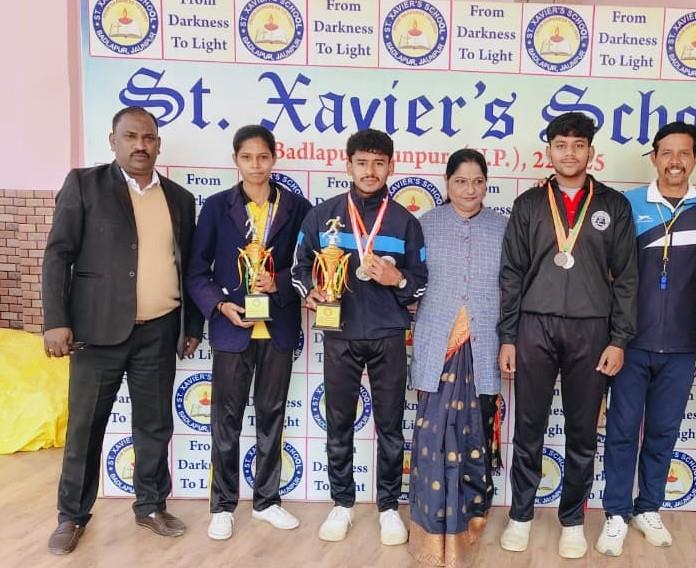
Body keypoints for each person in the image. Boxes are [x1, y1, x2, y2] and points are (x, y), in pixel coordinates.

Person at [42, 106, 203, 555]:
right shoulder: (84, 185)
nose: (140, 145)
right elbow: (57, 255)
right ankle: (72, 516)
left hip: (159, 330)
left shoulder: (179, 198)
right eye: (130, 136)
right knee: (85, 427)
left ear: (158, 145)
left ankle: (151, 506)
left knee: (154, 425)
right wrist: (55, 320)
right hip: (96, 333)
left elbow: (188, 267)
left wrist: (191, 324)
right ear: (113, 142)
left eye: (148, 138)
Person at [498, 112, 638, 559]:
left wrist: (618, 339)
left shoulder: (613, 206)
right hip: (534, 326)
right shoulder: (528, 204)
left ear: (591, 152)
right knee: (528, 427)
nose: (570, 153)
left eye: (579, 145)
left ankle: (573, 519)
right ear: (549, 151)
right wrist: (508, 335)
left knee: (582, 431)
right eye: (561, 145)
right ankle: (521, 514)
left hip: (591, 329)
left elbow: (627, 278)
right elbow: (511, 274)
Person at [291, 129, 428, 546]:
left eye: (378, 163)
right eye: (362, 162)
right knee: (339, 422)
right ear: (348, 164)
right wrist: (311, 290)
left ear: (391, 166)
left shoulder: (405, 221)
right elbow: (299, 267)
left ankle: (388, 507)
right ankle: (342, 503)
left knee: (390, 426)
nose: (370, 171)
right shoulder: (323, 215)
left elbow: (420, 282)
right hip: (341, 332)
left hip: (388, 334)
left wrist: (397, 279)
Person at [595, 122, 696, 556]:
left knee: (664, 432)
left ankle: (648, 507)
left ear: (695, 158)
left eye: (684, 153)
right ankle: (616, 512)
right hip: (631, 343)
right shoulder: (627, 205)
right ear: (654, 158)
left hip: (682, 346)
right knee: (622, 431)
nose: (675, 161)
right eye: (666, 153)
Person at [187, 125, 312, 540]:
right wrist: (220, 306)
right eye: (247, 157)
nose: (255, 165)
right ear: (235, 160)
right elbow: (197, 271)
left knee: (272, 417)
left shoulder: (297, 207)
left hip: (277, 327)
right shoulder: (216, 207)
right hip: (232, 329)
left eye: (263, 157)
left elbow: (308, 268)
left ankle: (267, 501)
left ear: (274, 158)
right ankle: (223, 505)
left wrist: (280, 284)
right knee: (226, 420)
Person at [407, 149, 507, 567]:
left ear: (486, 184)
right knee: (433, 438)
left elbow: (514, 288)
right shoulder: (424, 224)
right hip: (438, 345)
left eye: (478, 182)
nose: (470, 190)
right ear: (447, 184)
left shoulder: (503, 227)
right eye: (461, 182)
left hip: (483, 346)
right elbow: (409, 283)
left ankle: (470, 523)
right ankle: (429, 528)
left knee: (473, 435)